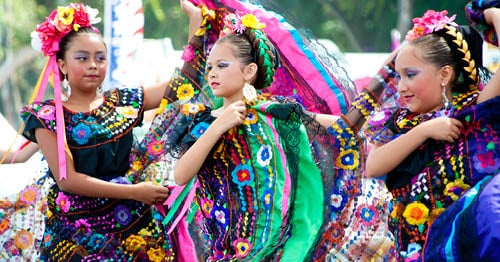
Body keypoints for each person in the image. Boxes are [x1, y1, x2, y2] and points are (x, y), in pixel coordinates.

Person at [140, 1, 397, 261]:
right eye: (209, 67)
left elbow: (345, 127)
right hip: (222, 251)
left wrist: (386, 74)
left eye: (222, 65)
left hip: (276, 248)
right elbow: (182, 174)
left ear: (249, 71)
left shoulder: (276, 113)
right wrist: (220, 124)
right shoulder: (201, 119)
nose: (212, 73)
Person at [0, 2, 203, 261]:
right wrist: (134, 191)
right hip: (76, 237)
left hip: (133, 228)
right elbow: (67, 180)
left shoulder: (123, 101)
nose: (93, 65)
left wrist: (195, 21)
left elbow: (185, 85)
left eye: (100, 57)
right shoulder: (48, 116)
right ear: (61, 65)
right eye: (82, 58)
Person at [364, 7, 500, 260]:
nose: (402, 86)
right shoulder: (401, 121)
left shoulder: (471, 111)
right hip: (413, 248)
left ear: (445, 74)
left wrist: (492, 15)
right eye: (399, 76)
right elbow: (373, 165)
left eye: (411, 75)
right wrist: (425, 130)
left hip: (460, 243)